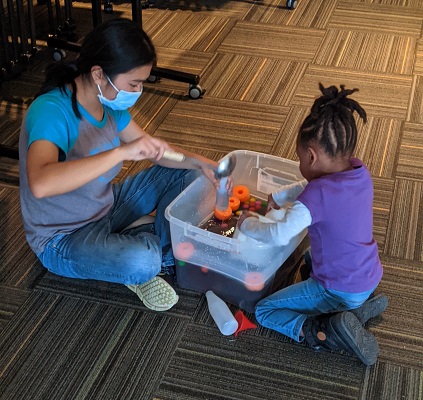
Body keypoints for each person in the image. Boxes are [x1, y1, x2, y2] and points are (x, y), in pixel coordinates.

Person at [19, 18, 224, 312]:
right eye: (134, 83)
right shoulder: (51, 111)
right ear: (100, 74)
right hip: (61, 237)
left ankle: (137, 241)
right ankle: (146, 250)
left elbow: (155, 151)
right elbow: (40, 183)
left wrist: (203, 163)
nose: (138, 91)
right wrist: (120, 153)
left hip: (105, 204)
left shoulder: (109, 103)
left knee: (189, 173)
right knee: (143, 262)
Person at [237, 83, 388, 366]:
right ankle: (355, 311)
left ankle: (320, 331)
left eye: (299, 159)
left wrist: (246, 224)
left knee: (265, 311)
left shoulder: (316, 196)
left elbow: (279, 235)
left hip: (338, 286)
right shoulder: (358, 171)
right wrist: (281, 197)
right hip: (366, 273)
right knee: (308, 257)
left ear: (311, 156)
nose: (300, 165)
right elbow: (316, 188)